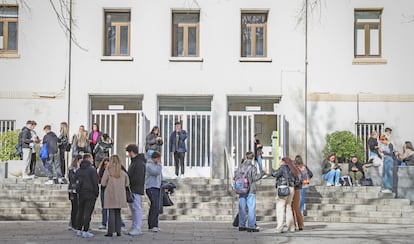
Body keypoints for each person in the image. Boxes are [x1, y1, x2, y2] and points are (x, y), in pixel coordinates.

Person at [101, 155, 130, 237]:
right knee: (118, 213)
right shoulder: (122, 172)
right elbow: (127, 184)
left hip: (110, 194)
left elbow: (103, 183)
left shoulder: (108, 171)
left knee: (111, 212)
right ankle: (118, 231)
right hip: (120, 195)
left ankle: (110, 231)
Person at [236, 151, 264, 232]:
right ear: (252, 158)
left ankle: (241, 225)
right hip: (250, 189)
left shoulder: (240, 167)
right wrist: (262, 174)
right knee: (251, 208)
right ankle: (251, 226)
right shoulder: (252, 167)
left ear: (246, 156)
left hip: (241, 189)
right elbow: (255, 178)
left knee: (242, 207)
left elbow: (235, 177)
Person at [271, 157, 300, 233]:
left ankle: (279, 227)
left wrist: (272, 170)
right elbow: (297, 180)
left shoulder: (283, 167)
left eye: (281, 160)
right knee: (288, 207)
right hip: (291, 188)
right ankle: (291, 227)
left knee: (280, 207)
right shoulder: (293, 168)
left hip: (283, 188)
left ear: (283, 161)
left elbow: (275, 174)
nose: (280, 162)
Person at [75, 153, 99, 238]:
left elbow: (76, 182)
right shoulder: (92, 170)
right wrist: (96, 193)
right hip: (90, 193)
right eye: (91, 158)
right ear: (88, 159)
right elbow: (95, 182)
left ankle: (78, 229)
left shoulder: (78, 171)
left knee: (80, 211)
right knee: (88, 212)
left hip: (81, 193)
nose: (93, 160)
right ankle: (85, 229)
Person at [126, 144, 146, 236]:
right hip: (133, 188)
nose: (128, 154)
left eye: (129, 152)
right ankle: (134, 226)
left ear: (131, 152)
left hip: (135, 188)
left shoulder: (138, 163)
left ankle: (137, 227)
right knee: (133, 208)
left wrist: (130, 182)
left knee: (136, 208)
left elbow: (138, 177)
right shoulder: (136, 162)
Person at [145, 151, 162, 232]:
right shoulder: (149, 165)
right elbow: (156, 172)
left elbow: (160, 176)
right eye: (158, 159)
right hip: (151, 187)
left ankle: (154, 224)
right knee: (155, 206)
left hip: (157, 187)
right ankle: (152, 225)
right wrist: (159, 164)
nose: (159, 160)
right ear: (155, 158)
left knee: (155, 207)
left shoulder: (156, 165)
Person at [68, 154, 82, 230]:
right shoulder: (72, 169)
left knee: (78, 207)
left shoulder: (80, 169)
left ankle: (76, 223)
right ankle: (73, 223)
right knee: (75, 207)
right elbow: (72, 179)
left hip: (79, 190)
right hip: (73, 190)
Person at [97, 157, 110, 230]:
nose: (106, 165)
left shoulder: (112, 170)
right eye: (104, 164)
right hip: (103, 189)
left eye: (107, 163)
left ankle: (118, 222)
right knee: (104, 207)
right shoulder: (101, 171)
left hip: (110, 190)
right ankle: (104, 222)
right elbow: (100, 180)